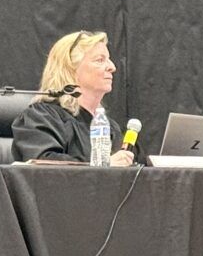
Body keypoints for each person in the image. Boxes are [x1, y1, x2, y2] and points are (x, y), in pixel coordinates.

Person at [12, 30, 139, 166]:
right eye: (100, 60)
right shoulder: (41, 117)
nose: (112, 67)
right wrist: (103, 166)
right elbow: (42, 166)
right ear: (70, 68)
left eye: (109, 59)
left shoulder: (111, 128)